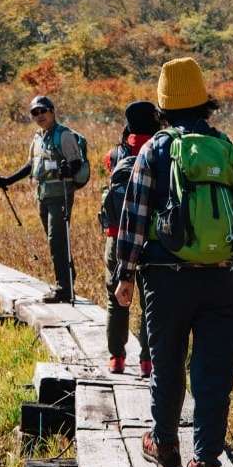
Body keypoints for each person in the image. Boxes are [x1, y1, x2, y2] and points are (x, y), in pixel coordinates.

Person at [112, 58, 233, 467]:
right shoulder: (225, 148)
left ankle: (166, 448)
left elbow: (134, 218)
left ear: (163, 105)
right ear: (204, 102)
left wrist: (125, 274)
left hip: (165, 280)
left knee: (167, 365)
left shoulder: (154, 150)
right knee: (214, 376)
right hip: (221, 279)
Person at [0, 96, 85, 304]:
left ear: (52, 111)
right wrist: (8, 180)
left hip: (60, 195)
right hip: (43, 196)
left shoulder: (64, 135)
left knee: (57, 240)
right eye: (34, 113)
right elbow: (30, 166)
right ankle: (66, 283)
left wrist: (67, 170)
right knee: (56, 241)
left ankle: (64, 288)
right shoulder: (38, 138)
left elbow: (77, 163)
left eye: (42, 111)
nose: (39, 116)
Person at [100, 101, 157, 376]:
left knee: (117, 297)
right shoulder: (161, 152)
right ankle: (147, 361)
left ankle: (116, 358)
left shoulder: (114, 155)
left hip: (116, 236)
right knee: (149, 301)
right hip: (152, 237)